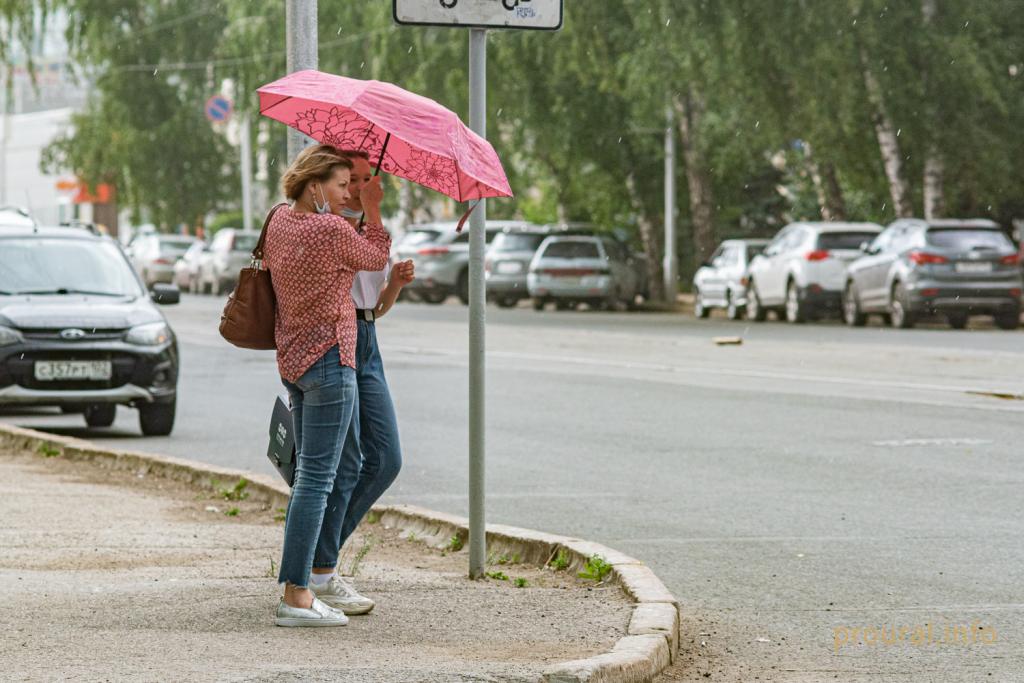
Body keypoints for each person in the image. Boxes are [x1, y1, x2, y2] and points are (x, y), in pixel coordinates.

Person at [262, 144, 391, 627]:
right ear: (315, 185)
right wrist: (373, 209)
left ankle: (303, 584)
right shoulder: (331, 229)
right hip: (333, 363)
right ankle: (298, 594)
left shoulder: (278, 220)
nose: (345, 195)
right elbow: (375, 253)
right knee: (317, 479)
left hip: (294, 361)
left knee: (311, 477)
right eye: (340, 186)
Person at [307, 151, 414, 615]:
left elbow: (375, 307)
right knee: (345, 462)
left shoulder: (366, 227)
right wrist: (372, 212)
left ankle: (315, 557)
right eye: (352, 179)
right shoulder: (328, 227)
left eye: (368, 179)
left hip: (367, 338)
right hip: (336, 340)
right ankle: (321, 569)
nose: (359, 187)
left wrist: (393, 285)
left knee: (386, 458)